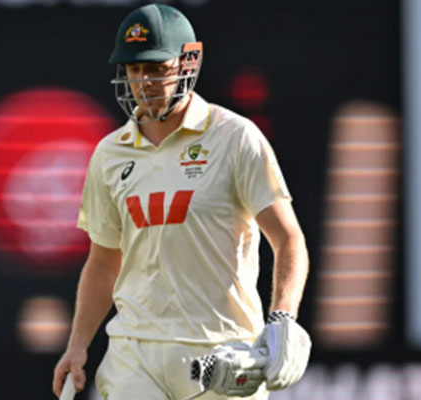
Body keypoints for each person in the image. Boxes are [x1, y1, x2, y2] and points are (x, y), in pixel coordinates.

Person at [52, 3, 311, 399]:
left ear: (189, 62)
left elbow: (288, 238)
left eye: (156, 68)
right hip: (134, 353)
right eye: (134, 69)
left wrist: (283, 318)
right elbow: (104, 260)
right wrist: (77, 345)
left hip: (222, 352)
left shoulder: (235, 137)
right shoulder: (110, 153)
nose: (144, 82)